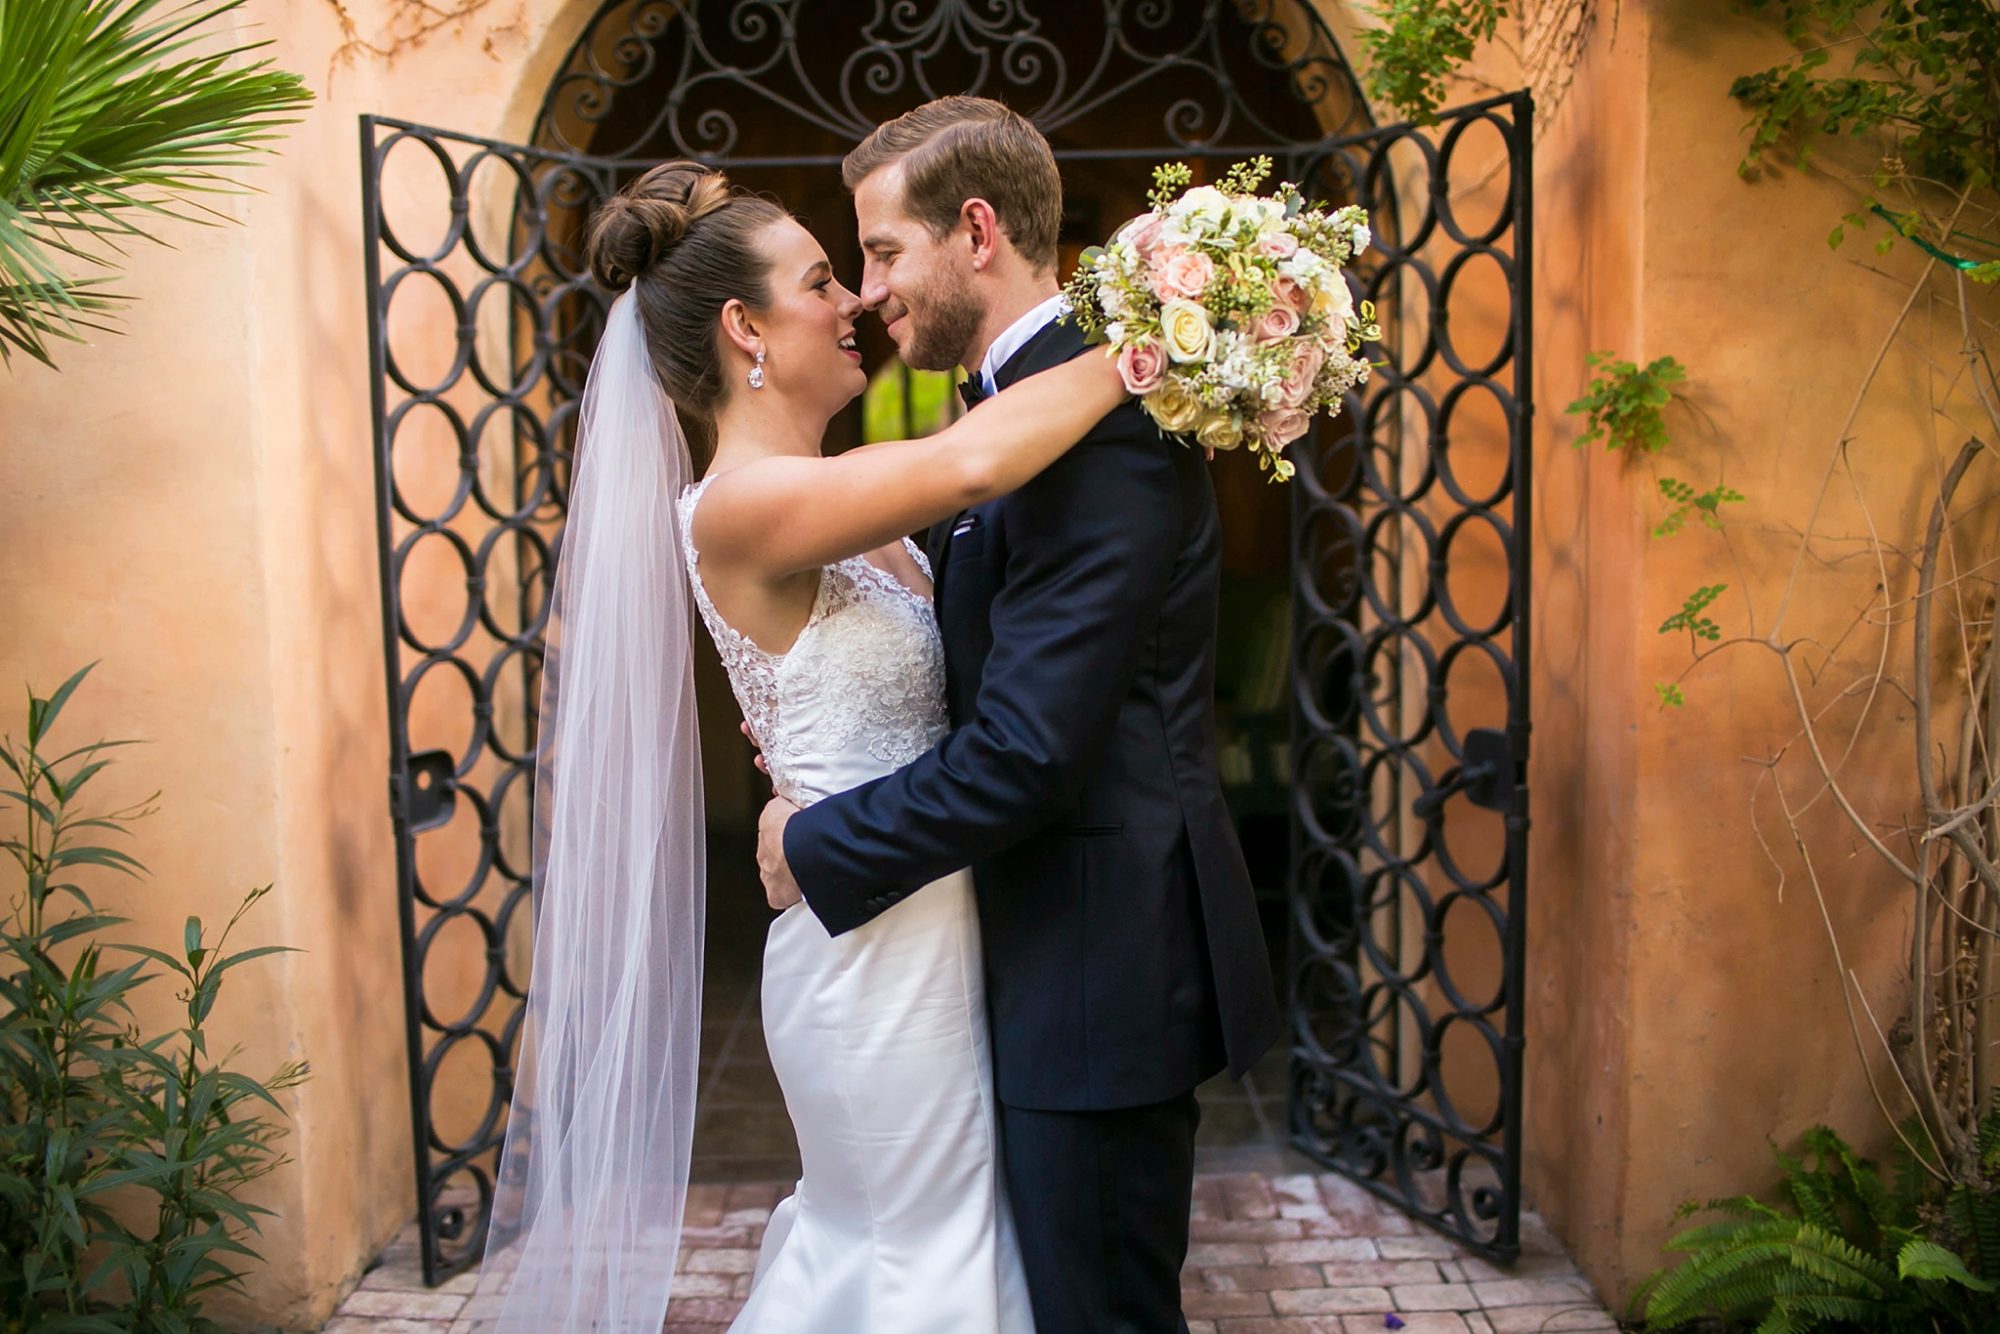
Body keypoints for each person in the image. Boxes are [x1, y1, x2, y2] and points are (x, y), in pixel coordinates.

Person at [473, 157, 1126, 1333]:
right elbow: (976, 459)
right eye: (823, 277)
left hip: (938, 925)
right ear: (744, 328)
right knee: (900, 1258)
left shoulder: (832, 489)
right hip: (865, 958)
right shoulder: (738, 505)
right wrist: (1160, 348)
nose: (857, 301)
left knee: (951, 1249)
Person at [754, 95, 1282, 1333]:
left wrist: (809, 843)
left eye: (883, 251)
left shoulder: (1099, 433)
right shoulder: (1014, 408)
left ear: (974, 229)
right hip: (1022, 957)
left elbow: (1029, 753)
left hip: (1096, 973)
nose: (871, 291)